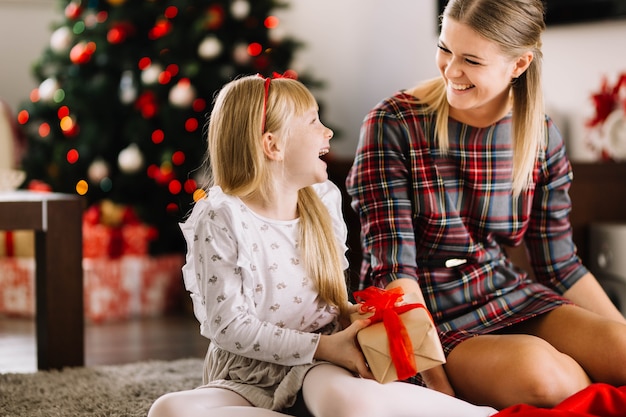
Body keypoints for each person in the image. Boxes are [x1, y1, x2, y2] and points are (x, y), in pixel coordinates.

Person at [147, 74, 497, 417]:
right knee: (167, 410)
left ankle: (478, 413)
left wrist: (348, 315)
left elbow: (325, 303)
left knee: (348, 404)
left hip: (318, 364)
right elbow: (229, 327)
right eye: (313, 121)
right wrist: (325, 345)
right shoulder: (222, 218)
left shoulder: (322, 203)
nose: (327, 132)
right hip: (245, 374)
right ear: (273, 145)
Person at [346, 0, 626, 411]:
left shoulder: (540, 137)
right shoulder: (394, 123)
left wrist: (618, 336)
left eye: (471, 60)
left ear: (518, 64)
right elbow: (393, 272)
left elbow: (560, 266)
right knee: (543, 376)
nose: (450, 70)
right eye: (446, 49)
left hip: (503, 290)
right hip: (425, 309)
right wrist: (435, 386)